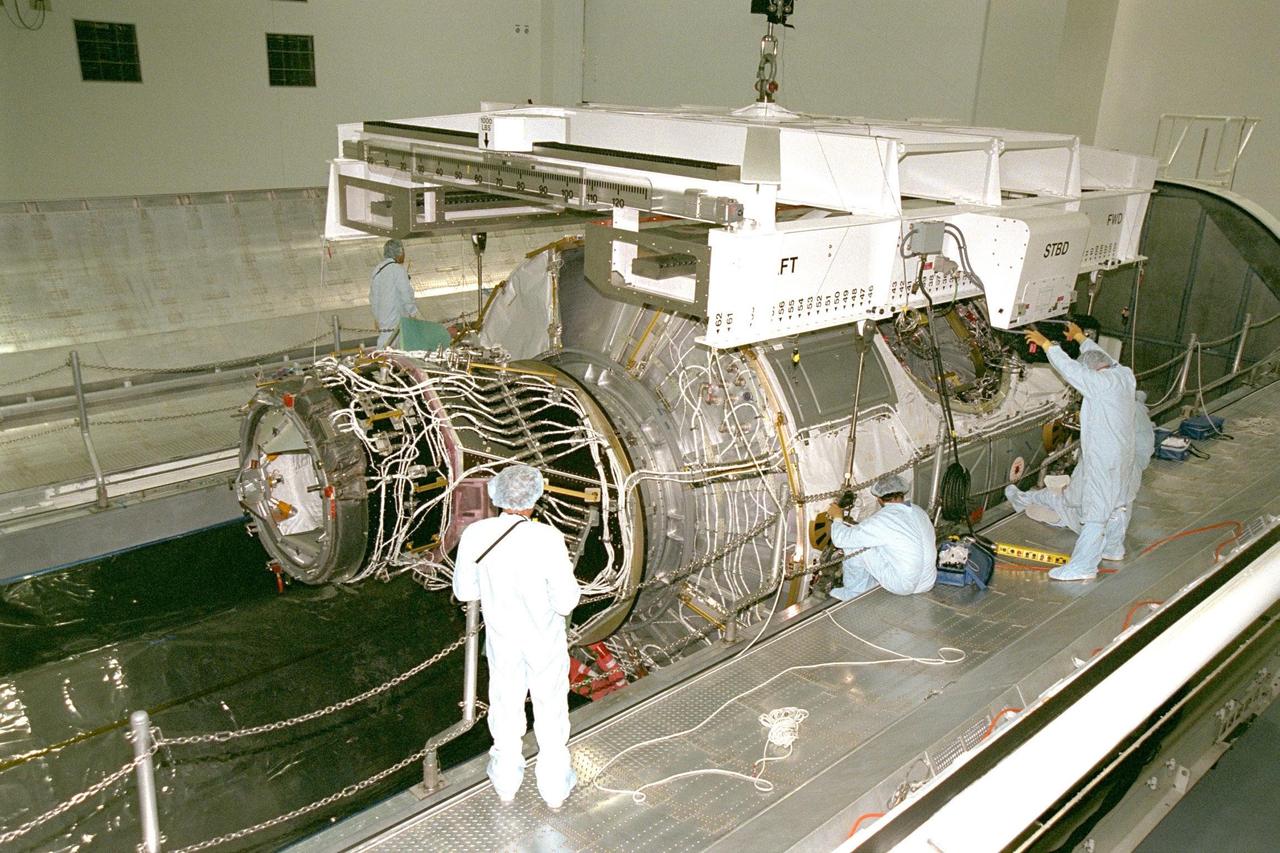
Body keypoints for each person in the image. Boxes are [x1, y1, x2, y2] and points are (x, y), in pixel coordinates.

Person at [452, 464, 581, 809]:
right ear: (534, 499)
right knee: (551, 709)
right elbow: (567, 600)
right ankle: (554, 789)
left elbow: (465, 592)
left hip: (502, 639)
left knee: (506, 707)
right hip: (544, 640)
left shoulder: (476, 535)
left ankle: (506, 783)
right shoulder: (547, 538)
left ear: (496, 496)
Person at [1013, 322, 1136, 580]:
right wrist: (1080, 338)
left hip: (1103, 459)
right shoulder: (1124, 375)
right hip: (1123, 455)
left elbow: (1070, 370)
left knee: (1096, 512)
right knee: (1117, 504)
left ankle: (1084, 566)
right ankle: (1113, 547)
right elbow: (1106, 359)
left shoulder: (1098, 384)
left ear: (1090, 371)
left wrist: (1047, 345)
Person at [825, 473, 937, 599]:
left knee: (854, 546)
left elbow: (841, 539)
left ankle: (853, 593)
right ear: (903, 493)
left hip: (903, 586)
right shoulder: (919, 511)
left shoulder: (882, 520)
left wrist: (837, 517)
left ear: (878, 498)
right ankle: (871, 583)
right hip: (927, 582)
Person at [369, 238, 421, 347]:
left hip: (383, 317)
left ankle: (381, 361)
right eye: (403, 251)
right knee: (392, 345)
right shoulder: (398, 270)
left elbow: (373, 297)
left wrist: (377, 317)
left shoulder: (377, 270)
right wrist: (413, 312)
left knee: (385, 342)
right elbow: (405, 294)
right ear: (399, 252)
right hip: (396, 316)